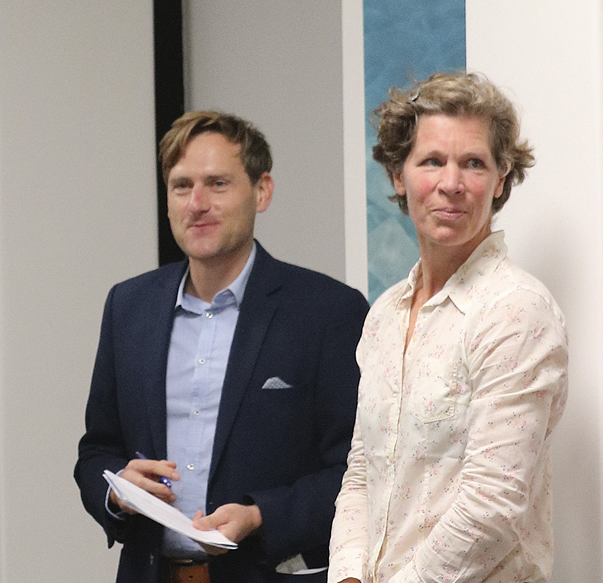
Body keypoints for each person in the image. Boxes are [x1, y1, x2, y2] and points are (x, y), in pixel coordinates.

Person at [75, 110, 369, 583]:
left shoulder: (327, 312)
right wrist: (116, 491)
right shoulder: (128, 307)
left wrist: (260, 515)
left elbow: (358, 470)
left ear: (262, 191)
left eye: (217, 184)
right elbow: (97, 451)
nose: (197, 203)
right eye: (181, 186)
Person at [328, 72, 569, 583]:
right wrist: (348, 575)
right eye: (432, 161)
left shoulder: (516, 310)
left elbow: (494, 504)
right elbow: (363, 473)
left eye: (474, 163)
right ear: (398, 176)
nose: (451, 183)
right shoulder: (384, 316)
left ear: (501, 180)